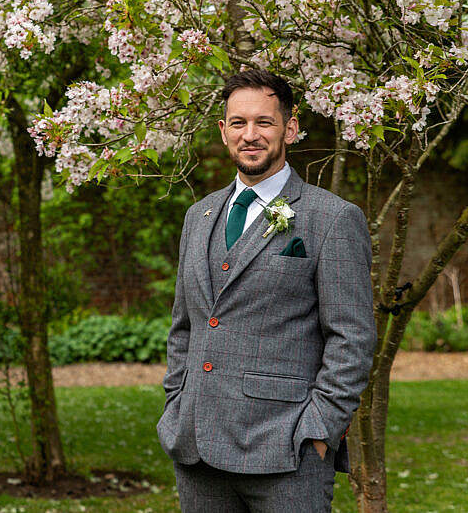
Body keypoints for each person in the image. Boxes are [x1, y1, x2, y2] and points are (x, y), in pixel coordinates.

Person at [156, 69, 376, 512]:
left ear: (290, 129)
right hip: (196, 450)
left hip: (286, 453)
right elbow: (186, 326)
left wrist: (318, 430)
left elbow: (352, 338)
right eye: (238, 123)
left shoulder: (331, 218)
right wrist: (176, 405)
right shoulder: (198, 217)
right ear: (223, 132)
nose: (250, 135)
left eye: (264, 122)